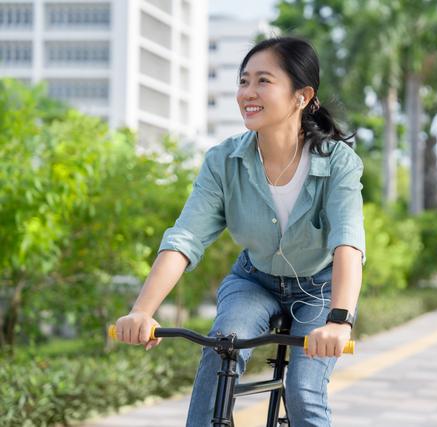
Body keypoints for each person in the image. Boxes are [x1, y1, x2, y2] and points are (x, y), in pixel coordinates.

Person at [114, 36, 366, 427]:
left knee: (303, 391)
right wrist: (142, 311)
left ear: (302, 96)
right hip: (254, 281)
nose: (248, 92)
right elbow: (185, 238)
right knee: (221, 352)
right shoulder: (223, 160)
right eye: (243, 81)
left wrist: (339, 321)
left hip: (319, 288)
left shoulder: (338, 163)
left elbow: (348, 244)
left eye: (263, 81)